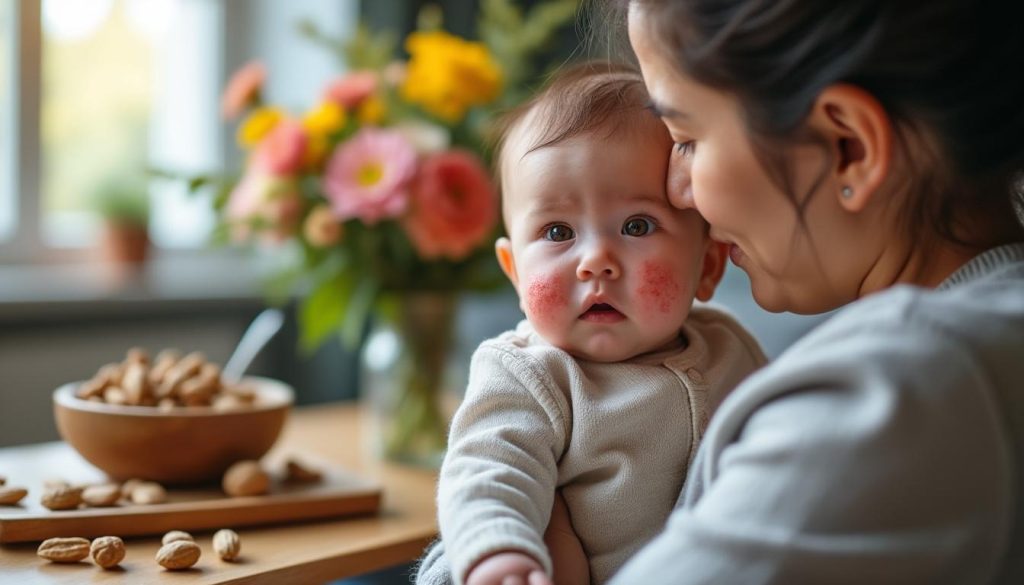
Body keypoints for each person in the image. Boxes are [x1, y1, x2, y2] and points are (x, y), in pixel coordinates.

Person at [557, 0, 1024, 583]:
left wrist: (520, 536)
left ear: (849, 147)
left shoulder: (895, 398)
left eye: (688, 138)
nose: (676, 190)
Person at [414, 63, 767, 585]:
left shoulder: (732, 349)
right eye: (557, 231)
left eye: (637, 225)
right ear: (515, 273)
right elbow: (487, 471)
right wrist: (498, 555)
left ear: (708, 266)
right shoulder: (528, 375)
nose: (596, 260)